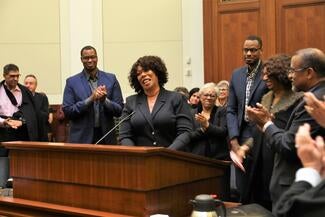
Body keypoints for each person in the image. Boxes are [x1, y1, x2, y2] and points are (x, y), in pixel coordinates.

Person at [246, 48, 325, 214]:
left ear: (309, 72)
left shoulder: (313, 101)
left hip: (297, 184)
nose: (290, 76)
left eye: (293, 70)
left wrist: (267, 124)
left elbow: (288, 146)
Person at [246, 54, 303, 210]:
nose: (264, 78)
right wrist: (245, 147)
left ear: (280, 74)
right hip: (260, 163)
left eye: (268, 74)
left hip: (281, 164)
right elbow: (260, 130)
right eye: (263, 74)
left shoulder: (298, 100)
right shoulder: (265, 98)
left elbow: (290, 136)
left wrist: (267, 121)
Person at [119, 55, 193, 150]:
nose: (143, 75)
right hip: (141, 160)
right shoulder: (131, 102)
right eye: (139, 74)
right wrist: (135, 154)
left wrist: (167, 153)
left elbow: (185, 132)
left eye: (146, 70)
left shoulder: (176, 98)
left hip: (172, 158)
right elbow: (125, 135)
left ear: (157, 72)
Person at [226, 35, 268, 201]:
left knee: (260, 185)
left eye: (253, 50)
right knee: (243, 188)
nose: (249, 53)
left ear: (261, 51)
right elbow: (231, 109)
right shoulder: (236, 74)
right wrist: (234, 140)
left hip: (261, 134)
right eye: (246, 50)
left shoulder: (267, 73)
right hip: (240, 134)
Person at [62, 45, 123, 144]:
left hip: (106, 137)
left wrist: (105, 100)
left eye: (93, 57)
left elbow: (119, 110)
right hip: (81, 139)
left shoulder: (111, 79)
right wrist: (90, 99)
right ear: (81, 60)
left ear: (97, 58)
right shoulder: (72, 82)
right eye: (86, 58)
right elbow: (68, 111)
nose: (90, 60)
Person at [0, 64, 40, 187]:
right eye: (12, 76)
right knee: (2, 157)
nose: (15, 79)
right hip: (2, 129)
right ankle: (2, 185)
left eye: (17, 76)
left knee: (22, 156)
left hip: (21, 129)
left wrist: (23, 122)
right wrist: (3, 122)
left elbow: (32, 113)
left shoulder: (24, 91)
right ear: (4, 76)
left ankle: (22, 186)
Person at [190, 82, 229, 160]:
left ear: (216, 98)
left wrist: (207, 125)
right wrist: (202, 130)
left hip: (219, 158)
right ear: (200, 97)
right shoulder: (192, 113)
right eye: (206, 95)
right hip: (196, 157)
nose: (209, 98)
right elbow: (189, 135)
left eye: (212, 96)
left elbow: (223, 132)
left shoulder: (222, 111)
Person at [24, 74, 50, 141]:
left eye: (31, 83)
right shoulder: (21, 98)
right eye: (26, 83)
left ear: (35, 85)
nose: (28, 85)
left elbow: (45, 115)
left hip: (40, 130)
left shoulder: (42, 97)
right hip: (26, 131)